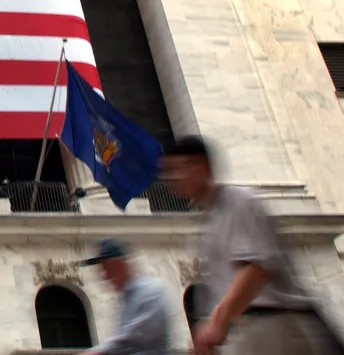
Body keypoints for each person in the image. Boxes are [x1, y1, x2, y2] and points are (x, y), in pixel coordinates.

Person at [162, 136, 341, 355]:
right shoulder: (208, 221)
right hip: (251, 331)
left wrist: (218, 320)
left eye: (175, 169)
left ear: (199, 165)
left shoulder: (239, 203)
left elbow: (256, 270)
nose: (171, 180)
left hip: (278, 326)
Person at [77, 237, 172, 355]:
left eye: (106, 268)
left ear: (118, 264)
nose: (104, 276)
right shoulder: (127, 299)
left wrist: (95, 353)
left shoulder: (149, 291)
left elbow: (132, 339)